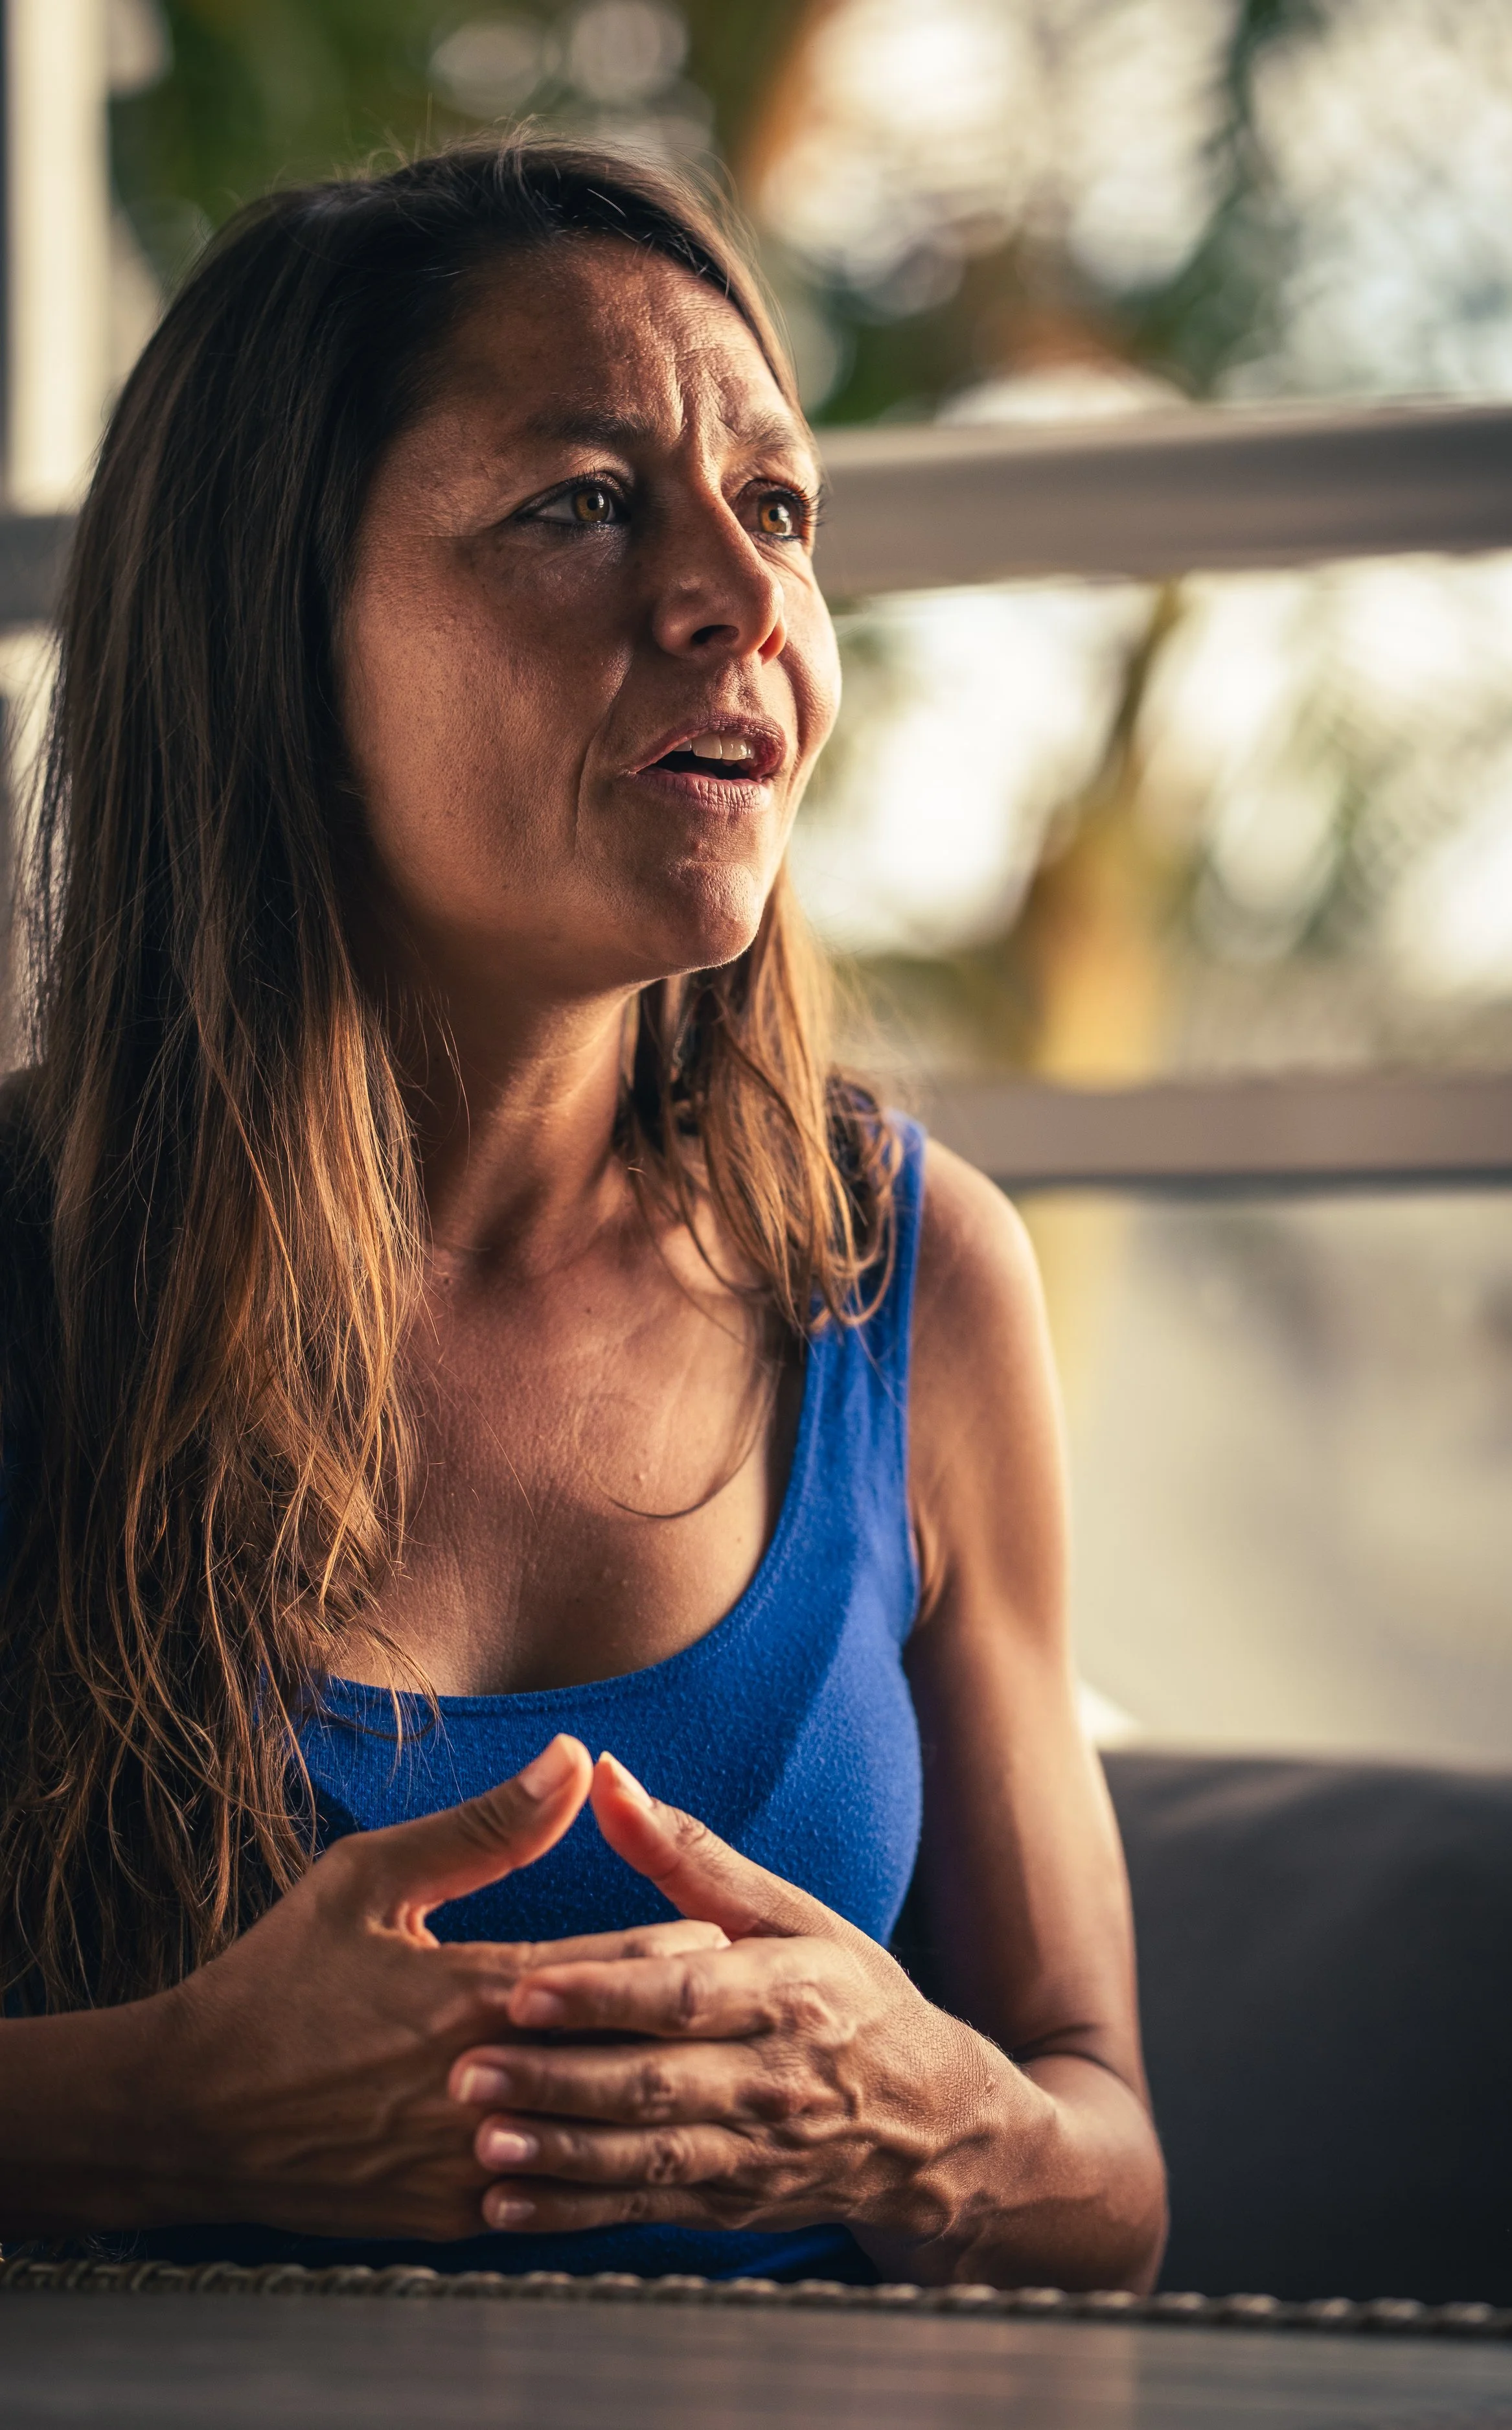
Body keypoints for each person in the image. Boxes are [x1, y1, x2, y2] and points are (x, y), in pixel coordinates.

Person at [0, 140, 1165, 2292]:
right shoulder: (25, 1267)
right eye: (584, 502)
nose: (739, 595)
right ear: (272, 622)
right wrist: (152, 2105)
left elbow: (1105, 2174)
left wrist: (928, 2112)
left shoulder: (916, 1280)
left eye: (778, 506)